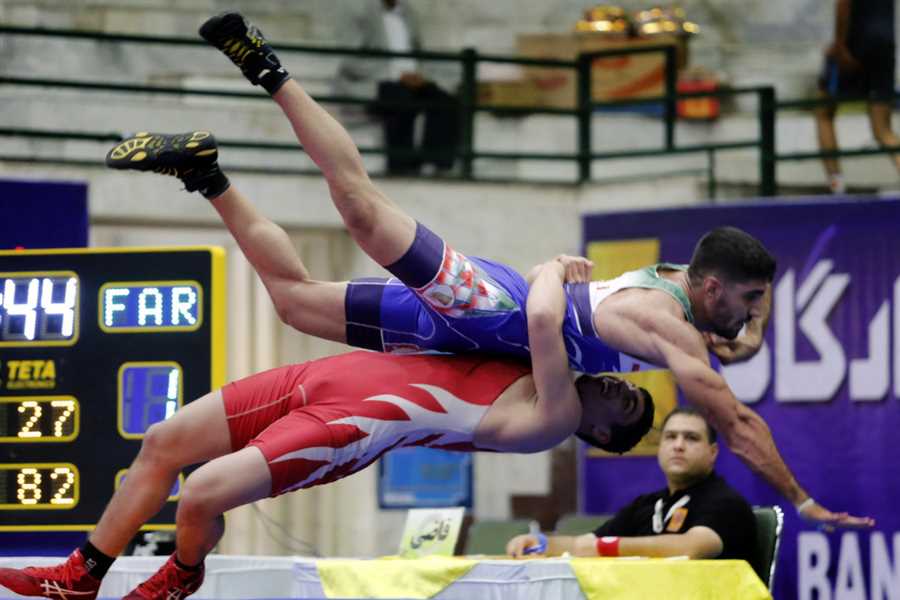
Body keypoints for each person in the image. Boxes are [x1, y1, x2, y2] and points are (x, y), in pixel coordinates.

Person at [107, 11, 872, 529]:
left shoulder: (682, 278)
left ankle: (206, 174)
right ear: (710, 289)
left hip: (477, 340)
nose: (743, 320)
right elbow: (736, 421)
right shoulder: (669, 331)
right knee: (366, 216)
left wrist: (758, 308)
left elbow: (736, 340)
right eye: (745, 301)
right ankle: (266, 66)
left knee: (296, 304)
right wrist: (800, 499)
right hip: (493, 308)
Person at [0, 257, 655, 600]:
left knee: (199, 493)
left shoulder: (551, 413)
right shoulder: (532, 362)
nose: (623, 387)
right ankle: (82, 574)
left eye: (626, 407)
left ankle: (184, 571)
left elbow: (545, 316)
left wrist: (548, 269)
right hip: (320, 376)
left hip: (348, 424)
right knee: (162, 441)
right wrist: (214, 184)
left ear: (594, 435)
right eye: (631, 385)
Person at [507, 407, 757, 565]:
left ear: (712, 453)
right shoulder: (647, 505)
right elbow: (581, 544)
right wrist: (540, 543)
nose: (678, 445)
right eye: (670, 437)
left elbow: (688, 548)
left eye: (691, 438)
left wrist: (607, 547)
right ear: (660, 448)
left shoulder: (725, 502)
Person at [334, 0, 460, 175]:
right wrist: (393, 74)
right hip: (379, 81)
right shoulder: (362, 14)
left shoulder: (408, 14)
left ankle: (436, 162)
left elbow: (417, 52)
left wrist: (419, 75)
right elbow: (349, 61)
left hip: (412, 79)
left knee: (445, 101)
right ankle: (401, 165)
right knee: (400, 99)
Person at [815, 0, 899, 194]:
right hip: (885, 44)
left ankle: (837, 186)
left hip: (854, 43)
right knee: (883, 130)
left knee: (824, 112)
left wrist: (839, 44)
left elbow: (843, 4)